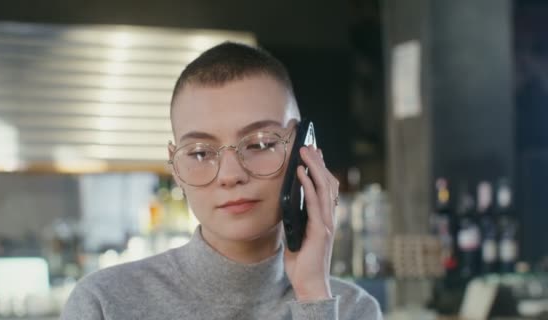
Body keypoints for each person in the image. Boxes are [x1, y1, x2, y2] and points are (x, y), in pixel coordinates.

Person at [61, 42, 381, 320]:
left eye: (259, 144)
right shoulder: (103, 304)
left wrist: (313, 295)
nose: (231, 176)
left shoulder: (352, 310)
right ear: (175, 166)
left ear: (304, 150)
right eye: (200, 153)